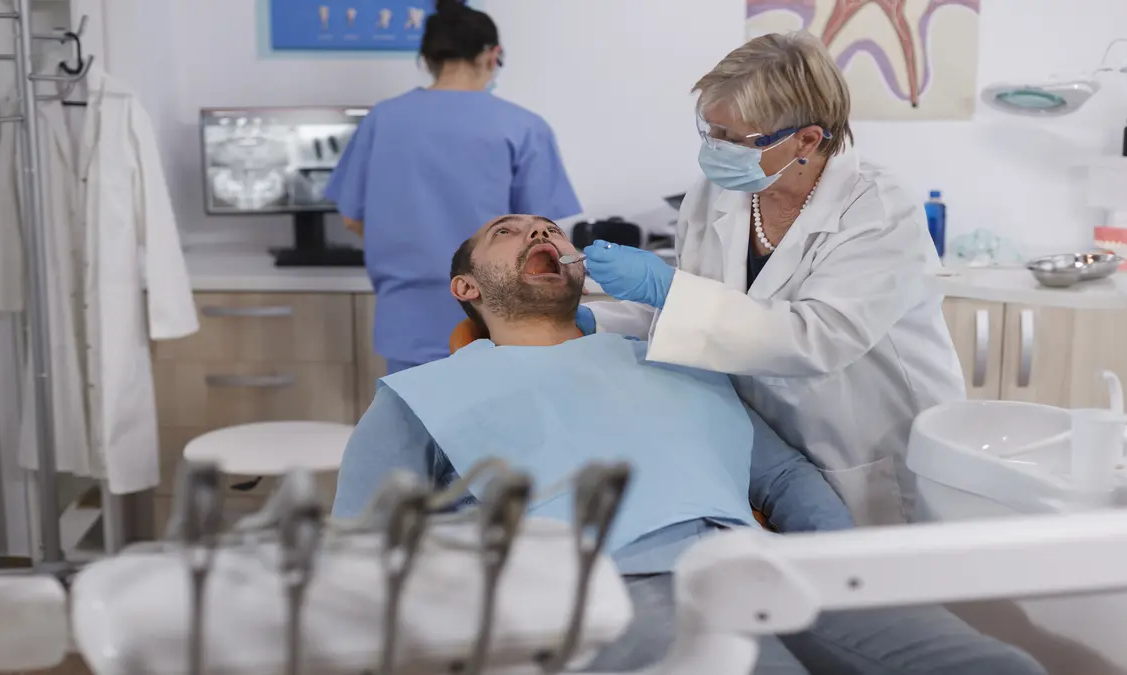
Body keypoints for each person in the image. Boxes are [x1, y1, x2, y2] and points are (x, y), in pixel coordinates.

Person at [333, 214, 1045, 675]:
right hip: (607, 586)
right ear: (466, 285)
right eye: (509, 233)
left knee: (1004, 667)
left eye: (548, 228)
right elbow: (356, 551)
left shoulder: (666, 354)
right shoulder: (422, 396)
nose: (537, 234)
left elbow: (784, 477)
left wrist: (842, 563)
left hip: (761, 561)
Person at [577, 32, 965, 527]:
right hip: (772, 448)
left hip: (868, 443)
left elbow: (817, 337)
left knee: (879, 586)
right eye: (709, 130)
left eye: (735, 139)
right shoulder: (718, 191)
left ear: (806, 139)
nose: (716, 150)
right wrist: (603, 316)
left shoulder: (878, 210)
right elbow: (703, 304)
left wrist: (665, 288)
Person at [324, 0, 581, 374]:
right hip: (497, 319)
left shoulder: (383, 119)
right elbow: (540, 237)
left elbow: (353, 219)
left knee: (413, 425)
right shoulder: (522, 126)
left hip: (407, 318)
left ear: (427, 58)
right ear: (493, 56)